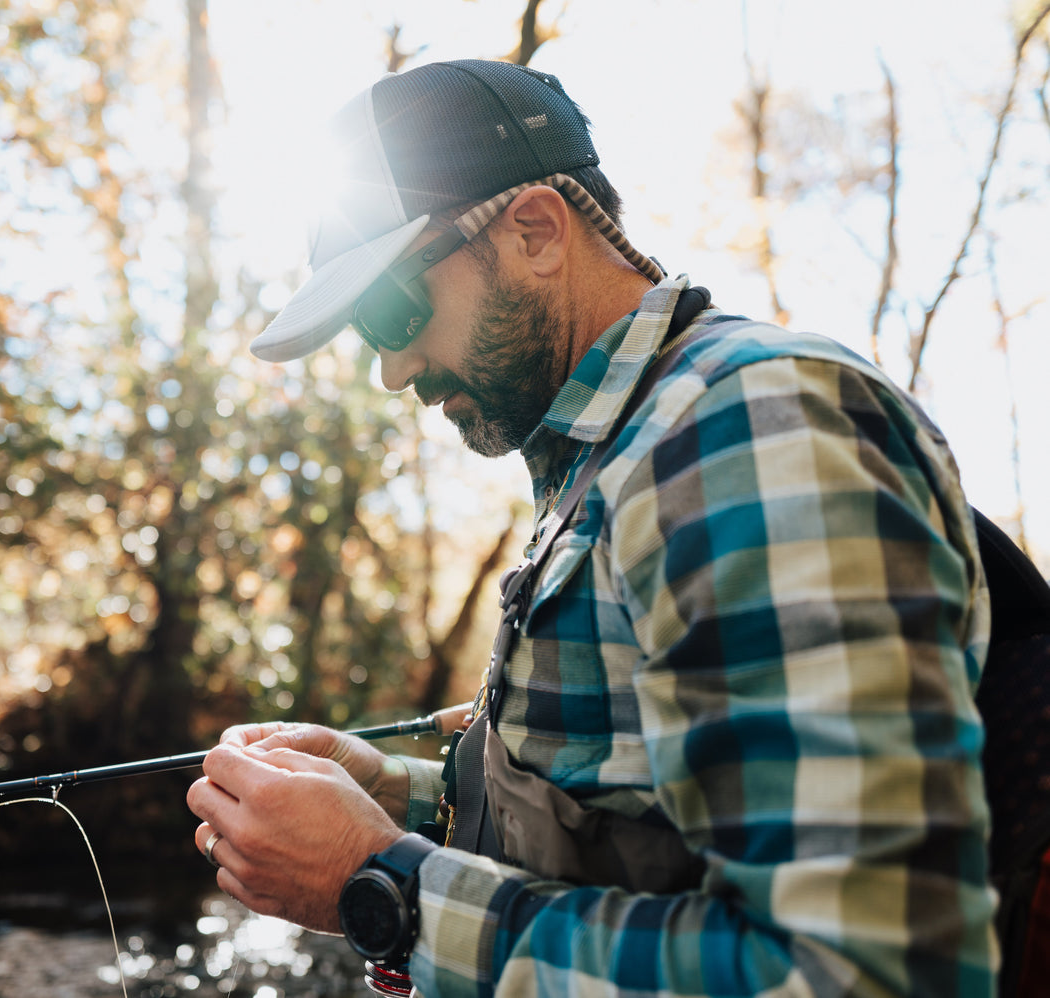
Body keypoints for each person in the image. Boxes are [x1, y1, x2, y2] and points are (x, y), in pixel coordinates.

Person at [186, 59, 996, 997]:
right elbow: (628, 811)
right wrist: (402, 796)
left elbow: (865, 972)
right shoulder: (621, 456)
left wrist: (385, 889)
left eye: (394, 310)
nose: (394, 370)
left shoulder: (742, 428)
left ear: (534, 230)